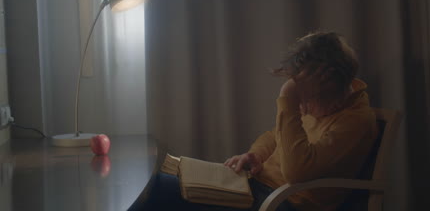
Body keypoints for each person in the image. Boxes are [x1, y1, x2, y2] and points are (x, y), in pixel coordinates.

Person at [129, 31, 377, 211]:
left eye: (307, 99)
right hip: (257, 188)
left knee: (159, 191)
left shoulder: (355, 121)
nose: (302, 108)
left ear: (334, 87)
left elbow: (297, 172)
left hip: (283, 202)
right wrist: (256, 155)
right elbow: (275, 136)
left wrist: (287, 99)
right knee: (159, 183)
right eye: (299, 100)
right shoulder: (322, 102)